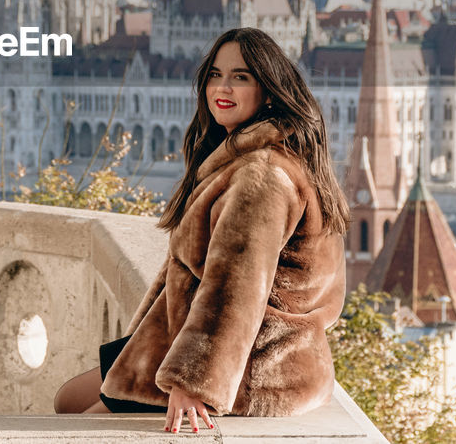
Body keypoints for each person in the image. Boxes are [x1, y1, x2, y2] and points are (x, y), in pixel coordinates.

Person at [54, 27, 349, 433]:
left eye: (240, 77)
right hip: (218, 345)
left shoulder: (261, 175)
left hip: (253, 366)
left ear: (268, 90)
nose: (222, 87)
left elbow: (235, 287)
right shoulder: (257, 156)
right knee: (67, 400)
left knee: (80, 429)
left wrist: (195, 382)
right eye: (215, 74)